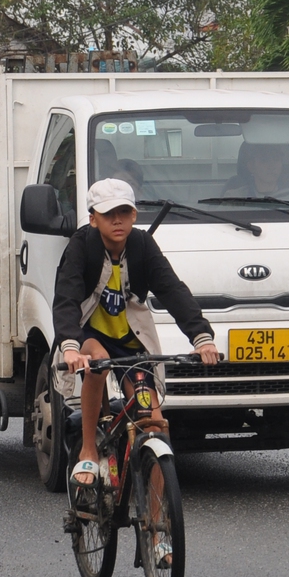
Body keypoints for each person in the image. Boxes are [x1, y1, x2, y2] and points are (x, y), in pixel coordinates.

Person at [52, 178, 220, 539]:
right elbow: (65, 298)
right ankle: (87, 450)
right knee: (96, 363)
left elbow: (173, 290)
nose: (118, 220)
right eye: (108, 213)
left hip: (130, 339)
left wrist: (201, 337)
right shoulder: (81, 246)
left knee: (154, 423)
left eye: (124, 212)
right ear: (93, 218)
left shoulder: (143, 245)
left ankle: (159, 530)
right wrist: (69, 345)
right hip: (87, 333)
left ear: (134, 215)